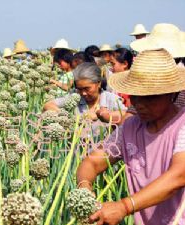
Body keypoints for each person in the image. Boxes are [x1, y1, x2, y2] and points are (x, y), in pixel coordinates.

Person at [77, 49, 185, 225]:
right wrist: (84, 188)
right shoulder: (130, 127)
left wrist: (124, 206)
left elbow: (179, 175)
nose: (139, 104)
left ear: (171, 94)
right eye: (135, 96)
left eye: (149, 97)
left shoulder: (182, 124)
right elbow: (92, 162)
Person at [44, 62, 127, 124]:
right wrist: (69, 117)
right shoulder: (75, 97)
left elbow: (126, 115)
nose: (83, 93)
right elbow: (48, 105)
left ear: (99, 83)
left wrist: (101, 115)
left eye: (87, 88)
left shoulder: (110, 99)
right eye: (80, 89)